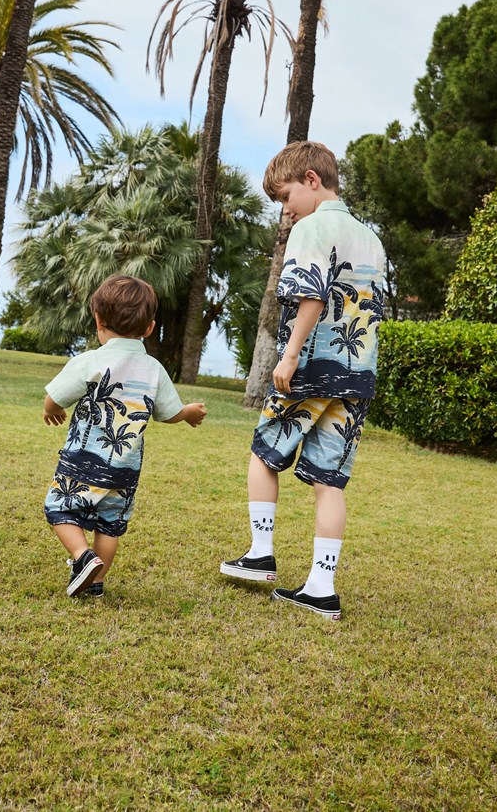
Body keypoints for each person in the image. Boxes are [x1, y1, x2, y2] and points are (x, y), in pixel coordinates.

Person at [220, 141, 386, 619]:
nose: (285, 209)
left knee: (263, 454)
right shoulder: (370, 237)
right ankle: (320, 586)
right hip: (358, 374)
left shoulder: (312, 228)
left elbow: (310, 297)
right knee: (329, 481)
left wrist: (289, 356)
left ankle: (260, 555)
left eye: (286, 195)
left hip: (313, 367)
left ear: (312, 179)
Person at [43, 274, 207, 597]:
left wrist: (50, 409)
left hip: (82, 461)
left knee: (59, 507)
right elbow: (168, 412)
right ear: (149, 328)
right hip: (126, 470)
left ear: (99, 320)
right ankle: (95, 584)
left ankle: (82, 557)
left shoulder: (90, 360)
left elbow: (56, 396)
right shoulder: (154, 369)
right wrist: (187, 413)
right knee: (110, 524)